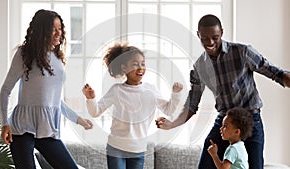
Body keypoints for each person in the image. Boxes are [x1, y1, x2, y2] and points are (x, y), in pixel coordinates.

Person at [155, 14, 290, 169]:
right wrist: (172, 124)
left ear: (222, 33)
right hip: (224, 121)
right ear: (198, 35)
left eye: (215, 37)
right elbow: (192, 104)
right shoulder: (200, 67)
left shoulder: (242, 52)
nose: (210, 42)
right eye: (204, 38)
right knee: (206, 164)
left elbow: (275, 73)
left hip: (251, 120)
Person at [0, 9, 93, 169]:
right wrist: (4, 124)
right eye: (53, 29)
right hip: (22, 129)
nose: (59, 33)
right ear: (42, 30)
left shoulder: (58, 58)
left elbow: (55, 101)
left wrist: (78, 119)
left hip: (47, 129)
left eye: (60, 28)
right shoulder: (25, 54)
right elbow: (6, 90)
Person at [82, 42, 183, 169]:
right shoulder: (116, 90)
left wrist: (175, 94)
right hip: (116, 148)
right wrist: (90, 98)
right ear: (124, 68)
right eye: (135, 64)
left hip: (138, 150)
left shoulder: (150, 90)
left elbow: (168, 110)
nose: (140, 67)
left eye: (143, 64)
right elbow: (95, 112)